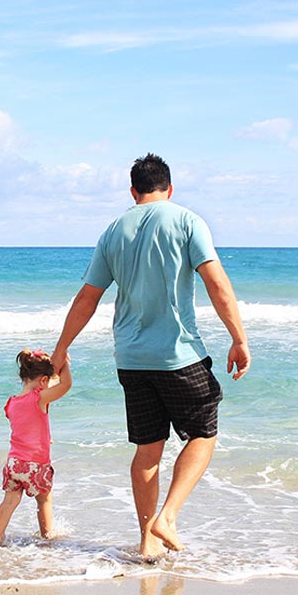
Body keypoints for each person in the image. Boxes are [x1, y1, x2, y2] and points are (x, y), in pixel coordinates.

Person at [51, 152, 250, 558]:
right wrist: (239, 338)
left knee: (147, 449)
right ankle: (168, 517)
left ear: (133, 191)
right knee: (203, 434)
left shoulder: (113, 231)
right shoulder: (186, 220)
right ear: (169, 188)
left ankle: (146, 543)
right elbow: (216, 283)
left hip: (131, 358)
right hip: (177, 354)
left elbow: (88, 297)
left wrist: (61, 348)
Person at [0, 348, 73, 546]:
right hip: (35, 464)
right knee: (44, 500)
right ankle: (47, 536)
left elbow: (26, 426)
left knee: (9, 501)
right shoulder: (39, 399)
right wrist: (65, 364)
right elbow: (66, 385)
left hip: (14, 463)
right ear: (43, 381)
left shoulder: (11, 403)